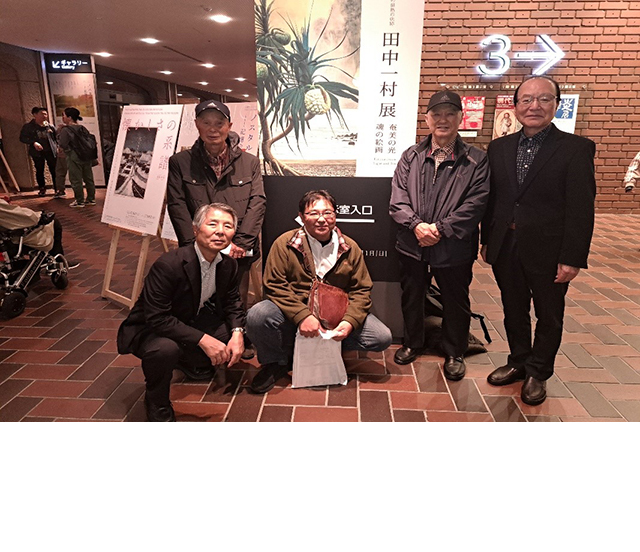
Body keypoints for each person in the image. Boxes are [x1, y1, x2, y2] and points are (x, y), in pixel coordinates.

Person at [481, 75, 596, 406]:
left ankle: (538, 371)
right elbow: (494, 200)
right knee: (512, 307)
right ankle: (518, 360)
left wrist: (572, 257)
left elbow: (581, 208)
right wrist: (487, 240)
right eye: (527, 100)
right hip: (507, 244)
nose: (535, 106)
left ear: (556, 105)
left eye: (544, 99)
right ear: (516, 106)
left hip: (550, 249)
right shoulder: (499, 147)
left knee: (549, 313)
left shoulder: (576, 149)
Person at [246, 190, 392, 394]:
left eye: (328, 213)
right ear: (301, 216)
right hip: (294, 311)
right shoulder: (284, 243)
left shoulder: (350, 247)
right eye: (313, 213)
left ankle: (326, 347)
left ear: (335, 215)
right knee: (258, 315)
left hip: (335, 313)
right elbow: (274, 284)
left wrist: (349, 322)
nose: (322, 219)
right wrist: (302, 316)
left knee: (381, 337)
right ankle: (276, 362)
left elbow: (361, 289)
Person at [389, 90, 490, 380]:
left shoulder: (476, 160)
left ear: (460, 118)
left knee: (455, 298)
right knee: (412, 295)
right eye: (436, 114)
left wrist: (439, 229)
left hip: (454, 245)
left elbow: (476, 204)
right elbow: (398, 199)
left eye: (449, 114)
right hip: (412, 242)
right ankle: (413, 343)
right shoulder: (411, 156)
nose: (442, 119)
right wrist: (416, 225)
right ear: (427, 119)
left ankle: (455, 350)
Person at [117, 203, 246, 422]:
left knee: (233, 333)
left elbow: (233, 301)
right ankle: (156, 399)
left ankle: (188, 361)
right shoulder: (169, 264)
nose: (220, 231)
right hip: (151, 327)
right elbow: (157, 318)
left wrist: (237, 333)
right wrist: (204, 339)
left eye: (228, 226)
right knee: (165, 350)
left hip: (189, 319)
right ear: (195, 229)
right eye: (213, 224)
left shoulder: (228, 265)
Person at [167, 99, 266, 358]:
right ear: (197, 124)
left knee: (236, 295)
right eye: (206, 122)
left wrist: (241, 242)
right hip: (198, 246)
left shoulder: (249, 162)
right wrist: (192, 245)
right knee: (197, 293)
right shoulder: (180, 162)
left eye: (219, 123)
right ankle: (202, 341)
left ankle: (238, 336)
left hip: (237, 246)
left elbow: (257, 202)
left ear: (229, 126)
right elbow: (176, 204)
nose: (213, 129)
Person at [19, 107, 64, 197]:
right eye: (42, 114)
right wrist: (33, 143)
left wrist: (58, 147)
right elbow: (22, 138)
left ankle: (57, 188)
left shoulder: (49, 126)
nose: (45, 116)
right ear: (35, 115)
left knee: (54, 170)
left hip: (51, 151)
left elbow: (56, 137)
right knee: (39, 169)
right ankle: (42, 188)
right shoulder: (28, 127)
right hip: (37, 152)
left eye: (46, 114)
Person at [57, 107, 96, 208]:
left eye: (64, 115)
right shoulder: (82, 128)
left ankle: (79, 201)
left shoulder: (65, 130)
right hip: (86, 156)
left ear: (69, 117)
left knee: (76, 179)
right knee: (88, 178)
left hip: (73, 155)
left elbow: (63, 144)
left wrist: (59, 133)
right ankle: (91, 199)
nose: (63, 118)